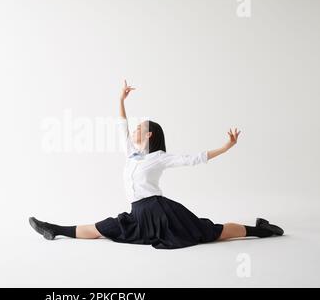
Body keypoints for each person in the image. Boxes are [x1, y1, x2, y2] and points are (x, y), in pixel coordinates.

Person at [29, 80, 284, 249]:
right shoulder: (131, 153)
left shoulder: (160, 157)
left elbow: (195, 158)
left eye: (141, 127)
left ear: (150, 135)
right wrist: (121, 100)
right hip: (137, 212)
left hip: (159, 210)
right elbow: (122, 126)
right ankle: (53, 229)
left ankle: (263, 231)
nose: (136, 129)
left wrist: (227, 146)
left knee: (212, 231)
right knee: (102, 228)